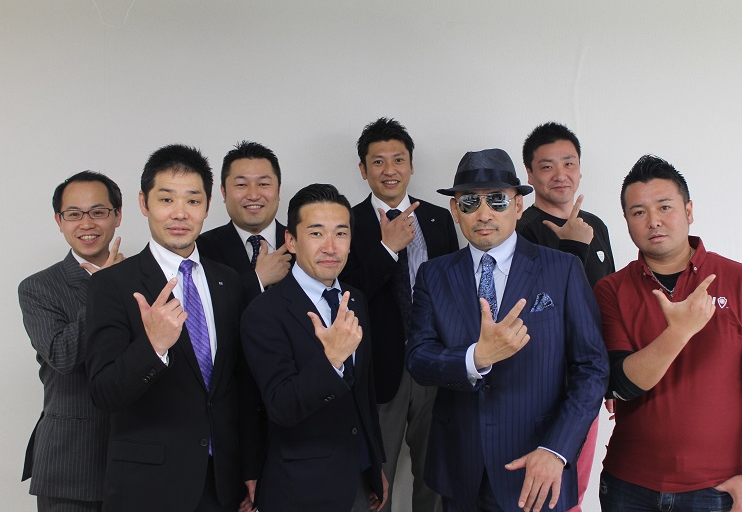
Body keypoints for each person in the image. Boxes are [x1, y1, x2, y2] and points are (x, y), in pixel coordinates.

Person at [406, 149, 609, 512]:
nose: (484, 213)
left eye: (497, 200)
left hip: (538, 466)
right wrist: (475, 357)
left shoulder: (562, 269)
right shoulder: (433, 275)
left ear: (517, 206)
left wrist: (557, 450)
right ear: (455, 210)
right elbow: (419, 359)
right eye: (470, 202)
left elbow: (591, 368)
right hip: (460, 468)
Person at [595, 155, 742, 512]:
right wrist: (679, 332)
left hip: (717, 488)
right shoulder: (611, 290)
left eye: (664, 206)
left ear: (688, 210)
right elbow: (620, 385)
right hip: (628, 486)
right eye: (638, 212)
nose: (653, 220)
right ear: (626, 221)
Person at [85, 145, 260, 512]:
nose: (180, 213)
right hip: (149, 486)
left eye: (193, 201)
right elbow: (103, 393)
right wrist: (153, 347)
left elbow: (239, 385)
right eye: (166, 199)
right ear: (144, 203)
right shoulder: (112, 284)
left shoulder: (228, 281)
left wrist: (250, 466)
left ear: (207, 206)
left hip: (222, 483)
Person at [241, 183, 387, 512]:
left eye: (341, 233)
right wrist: (331, 361)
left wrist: (375, 463)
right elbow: (280, 406)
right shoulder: (265, 311)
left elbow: (364, 392)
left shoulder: (355, 299)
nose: (331, 247)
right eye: (317, 233)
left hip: (359, 476)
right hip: (302, 486)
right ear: (291, 240)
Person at [340, 117, 458, 512]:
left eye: (398, 159)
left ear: (411, 165)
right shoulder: (348, 222)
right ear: (363, 169)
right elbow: (346, 295)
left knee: (435, 475)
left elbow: (453, 292)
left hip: (434, 363)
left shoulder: (438, 219)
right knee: (378, 482)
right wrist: (387, 249)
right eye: (378, 161)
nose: (389, 170)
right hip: (379, 370)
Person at [516, 122, 615, 512]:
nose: (560, 174)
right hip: (541, 383)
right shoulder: (521, 231)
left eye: (569, 163)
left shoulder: (596, 226)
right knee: (540, 489)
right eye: (547, 166)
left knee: (575, 488)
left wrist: (612, 381)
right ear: (530, 174)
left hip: (588, 378)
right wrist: (572, 245)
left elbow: (610, 304)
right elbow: (536, 309)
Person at [19, 171, 123, 512]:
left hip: (136, 458)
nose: (86, 223)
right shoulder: (38, 287)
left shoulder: (143, 276)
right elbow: (62, 356)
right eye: (74, 214)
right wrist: (103, 288)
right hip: (70, 463)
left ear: (117, 215)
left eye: (98, 212)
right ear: (59, 221)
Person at [196, 140, 291, 304]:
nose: (253, 195)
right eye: (241, 184)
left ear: (278, 189)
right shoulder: (201, 249)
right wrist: (258, 279)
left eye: (263, 184)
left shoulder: (302, 243)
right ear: (224, 192)